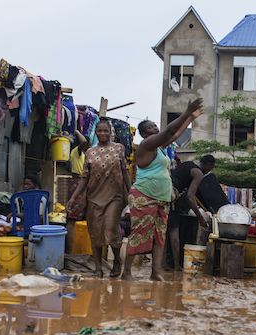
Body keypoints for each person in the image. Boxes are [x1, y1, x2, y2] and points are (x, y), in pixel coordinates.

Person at [121, 97, 204, 281]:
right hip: (144, 195)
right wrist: (186, 112)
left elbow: (174, 135)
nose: (155, 129)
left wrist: (191, 117)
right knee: (139, 234)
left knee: (160, 236)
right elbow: (170, 130)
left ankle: (155, 272)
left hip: (162, 198)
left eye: (155, 126)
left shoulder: (158, 149)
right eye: (151, 127)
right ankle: (126, 272)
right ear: (143, 134)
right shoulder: (146, 145)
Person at [66, 120, 131, 278]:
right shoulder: (90, 152)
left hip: (115, 196)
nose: (102, 134)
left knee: (110, 228)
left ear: (111, 132)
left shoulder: (118, 149)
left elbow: (125, 173)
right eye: (99, 131)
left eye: (105, 131)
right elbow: (84, 178)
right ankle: (98, 268)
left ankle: (116, 260)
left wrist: (131, 195)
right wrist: (73, 198)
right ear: (95, 132)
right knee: (95, 233)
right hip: (94, 197)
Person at [167, 154, 216, 271]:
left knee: (162, 229)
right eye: (211, 168)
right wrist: (201, 218)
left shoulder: (187, 164)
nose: (209, 171)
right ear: (208, 165)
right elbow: (190, 196)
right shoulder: (198, 173)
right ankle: (176, 265)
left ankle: (161, 264)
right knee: (174, 230)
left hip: (162, 190)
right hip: (171, 195)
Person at [65, 130, 90, 252]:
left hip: (83, 184)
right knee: (72, 220)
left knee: (81, 219)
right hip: (78, 184)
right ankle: (71, 251)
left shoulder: (83, 155)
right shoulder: (77, 152)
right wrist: (76, 131)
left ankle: (80, 250)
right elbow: (84, 141)